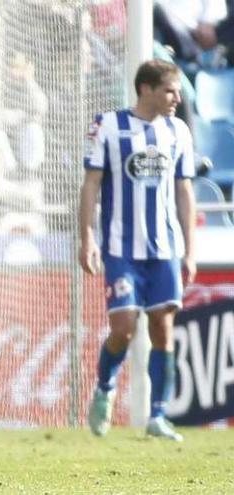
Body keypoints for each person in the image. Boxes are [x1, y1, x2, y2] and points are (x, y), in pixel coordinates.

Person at [81, 59, 195, 442]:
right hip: (120, 248)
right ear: (145, 89)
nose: (176, 98)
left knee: (163, 329)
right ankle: (105, 386)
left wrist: (189, 250)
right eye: (169, 90)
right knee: (124, 328)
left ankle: (158, 416)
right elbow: (92, 183)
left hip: (163, 249)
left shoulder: (178, 131)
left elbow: (184, 191)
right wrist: (87, 238)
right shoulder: (109, 125)